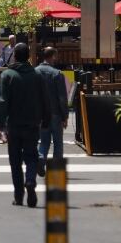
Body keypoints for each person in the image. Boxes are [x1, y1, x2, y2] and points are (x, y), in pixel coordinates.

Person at [0, 43, 50, 207]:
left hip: (13, 123)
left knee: (15, 160)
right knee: (31, 155)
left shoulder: (7, 75)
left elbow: (2, 101)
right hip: (33, 123)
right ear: (28, 56)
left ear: (15, 56)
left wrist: (0, 123)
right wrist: (46, 118)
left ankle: (19, 194)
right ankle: (31, 181)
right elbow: (45, 99)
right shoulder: (37, 75)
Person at [35, 47, 69, 175]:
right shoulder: (57, 74)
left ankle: (41, 158)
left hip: (41, 114)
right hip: (55, 113)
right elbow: (62, 97)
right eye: (56, 56)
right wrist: (65, 116)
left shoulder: (35, 72)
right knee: (58, 142)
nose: (57, 58)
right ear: (52, 56)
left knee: (44, 141)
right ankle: (55, 170)